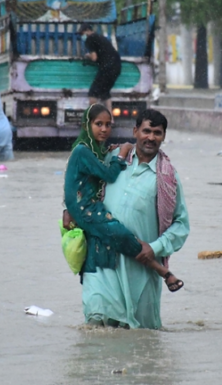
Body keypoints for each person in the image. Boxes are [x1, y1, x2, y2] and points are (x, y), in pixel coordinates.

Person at [63, 105, 184, 316]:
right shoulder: (111, 158)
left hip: (139, 271)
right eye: (146, 131)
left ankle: (162, 273)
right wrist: (68, 208)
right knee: (96, 327)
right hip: (100, 264)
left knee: (141, 338)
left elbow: (181, 225)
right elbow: (80, 182)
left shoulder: (167, 179)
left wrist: (155, 248)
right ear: (135, 131)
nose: (151, 137)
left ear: (164, 136)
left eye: (157, 133)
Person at [77, 23, 122, 112]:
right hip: (117, 66)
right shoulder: (100, 37)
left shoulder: (90, 39)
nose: (82, 36)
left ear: (87, 31)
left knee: (93, 93)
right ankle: (110, 118)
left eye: (82, 34)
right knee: (105, 92)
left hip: (107, 67)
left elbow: (94, 58)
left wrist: (88, 55)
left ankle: (92, 118)